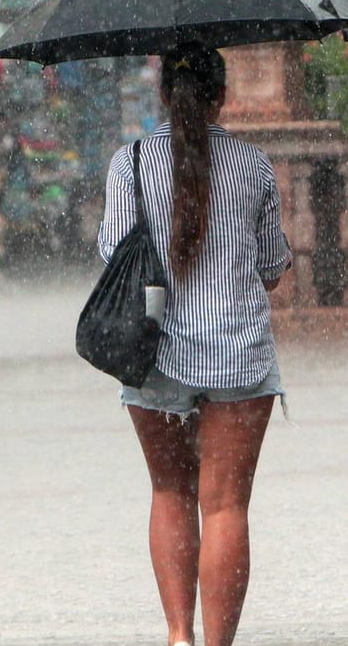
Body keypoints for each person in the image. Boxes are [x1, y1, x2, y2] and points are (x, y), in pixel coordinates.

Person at [96, 43, 292, 646]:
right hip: (237, 355)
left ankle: (178, 636)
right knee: (226, 506)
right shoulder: (252, 165)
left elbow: (112, 255)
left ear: (162, 93)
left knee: (169, 492)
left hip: (154, 358)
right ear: (222, 94)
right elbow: (272, 264)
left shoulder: (129, 165)